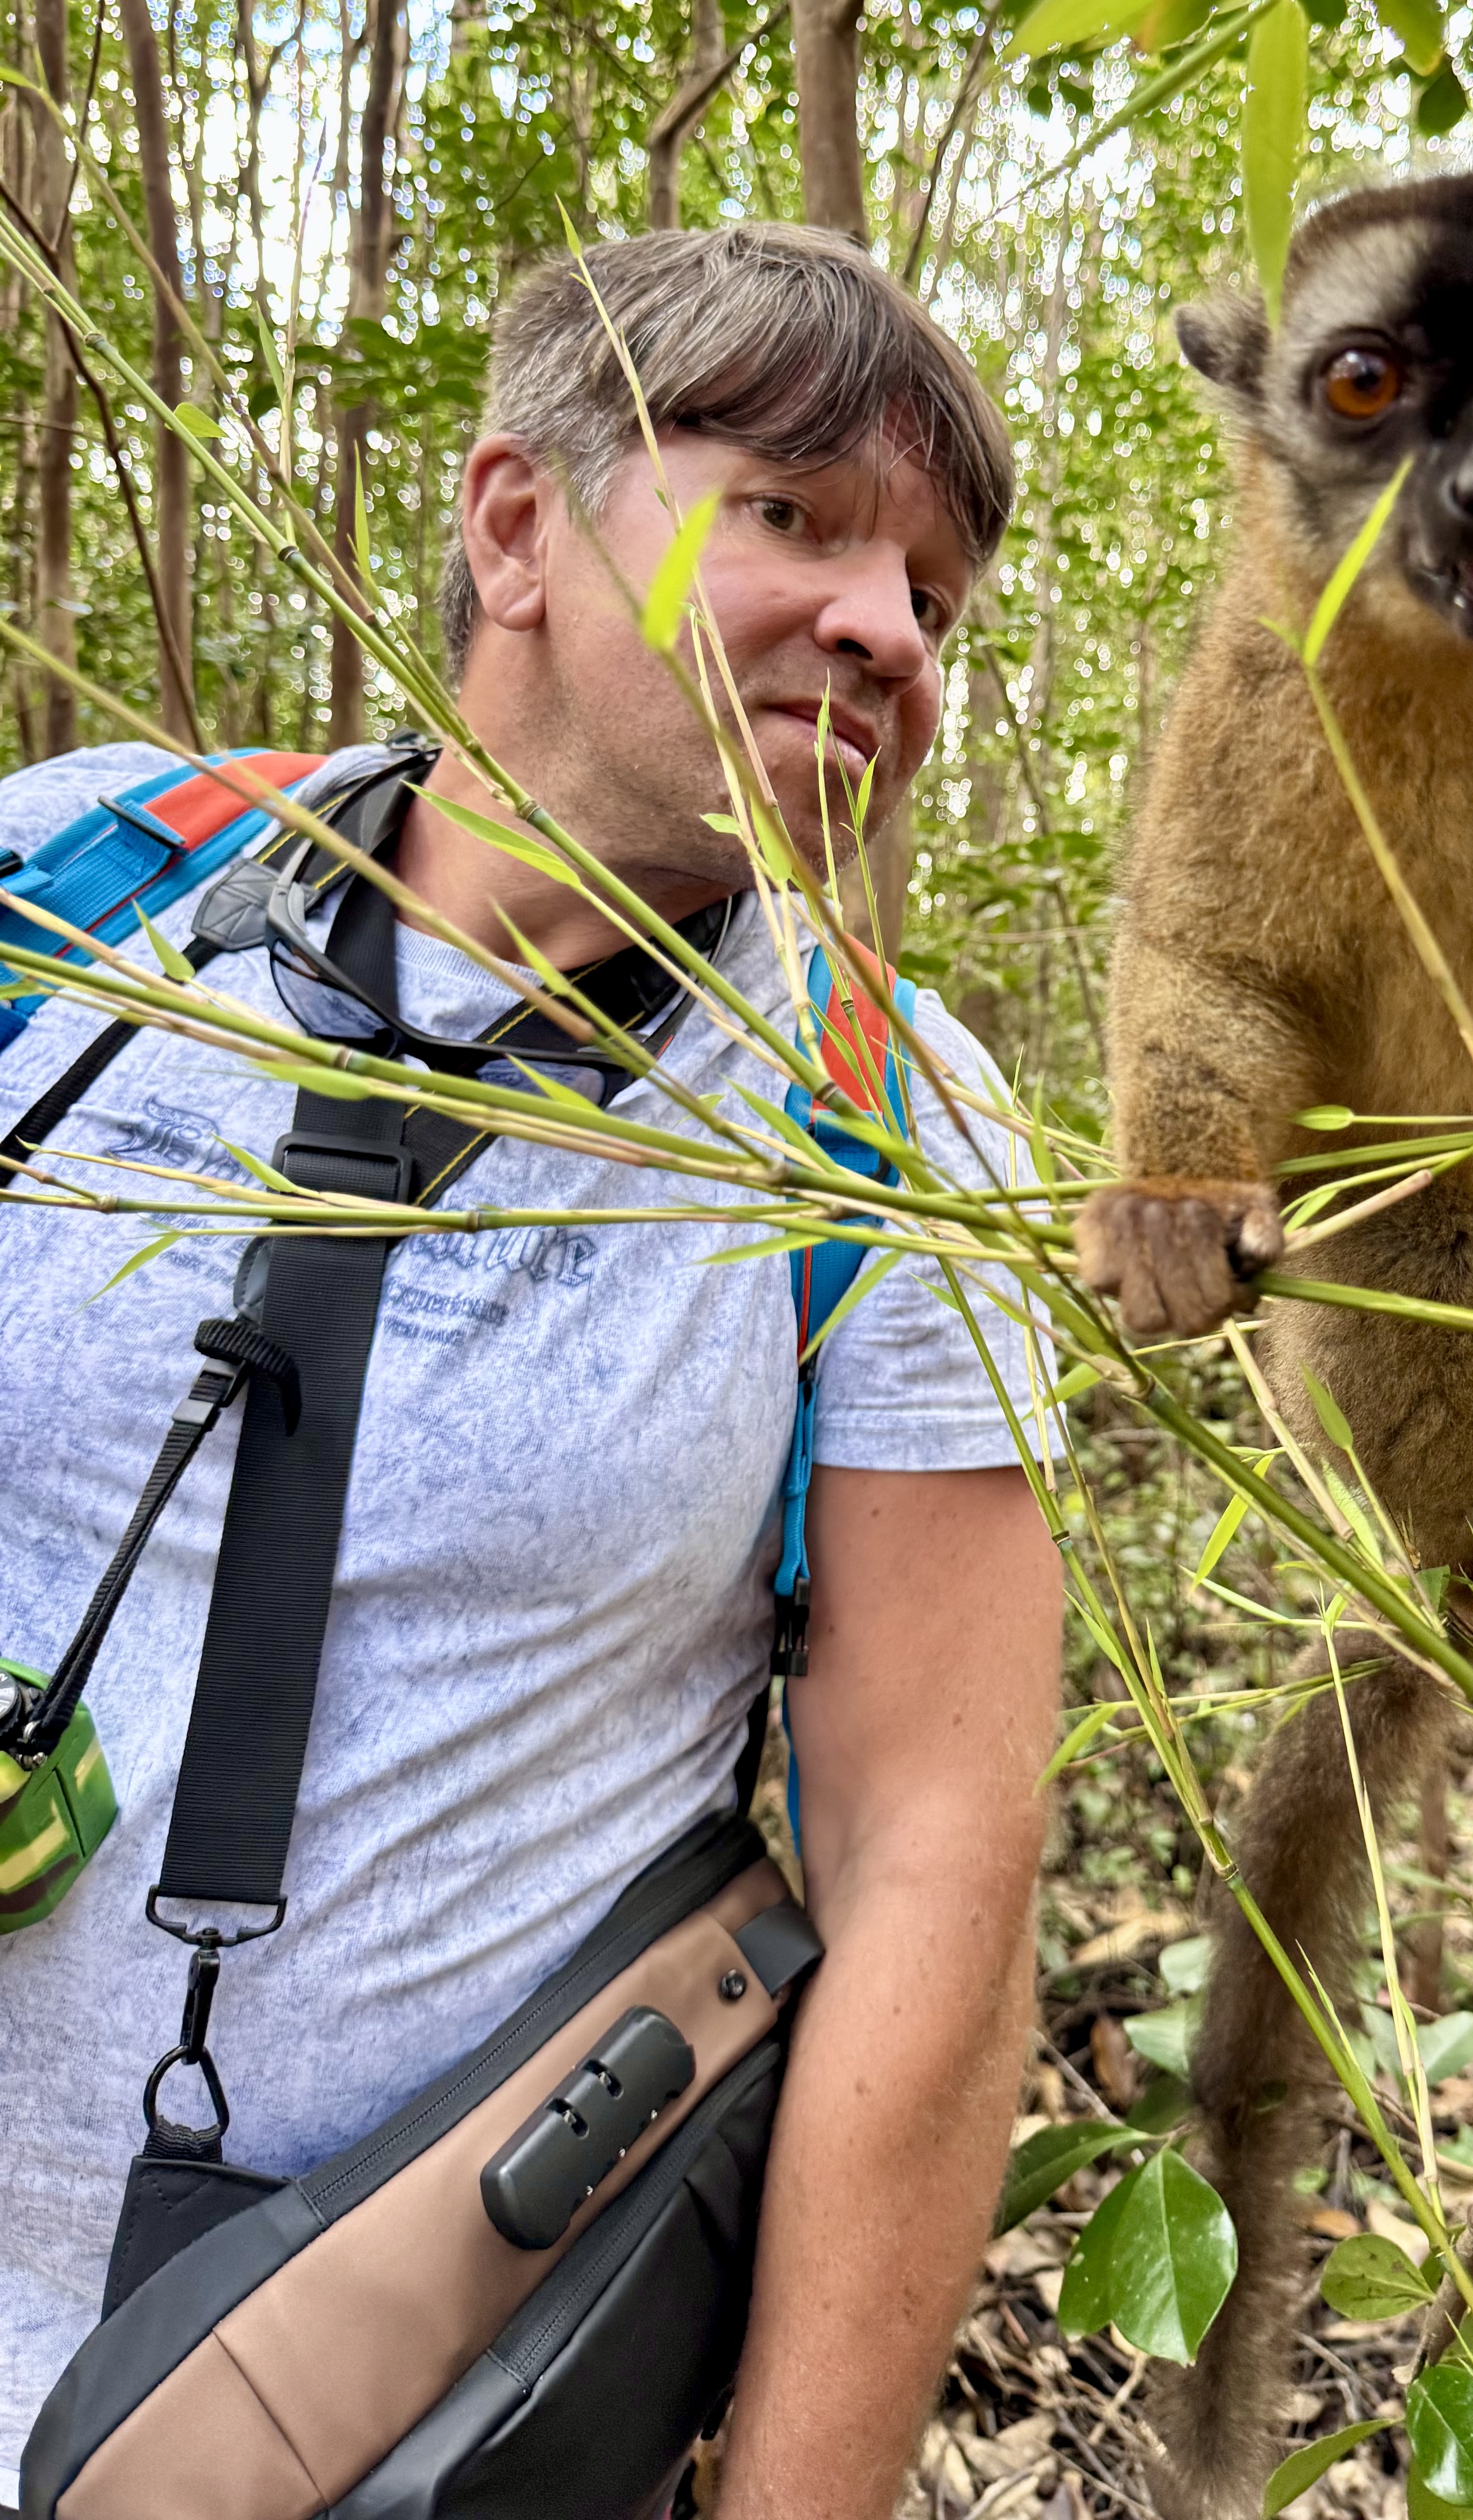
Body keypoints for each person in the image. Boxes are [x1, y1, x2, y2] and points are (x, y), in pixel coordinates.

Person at [0, 223, 1063, 2518]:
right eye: (793, 516)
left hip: (378, 2397)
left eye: (936, 597)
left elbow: (934, 1859)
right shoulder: (76, 889)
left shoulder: (879, 1114)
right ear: (515, 528)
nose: (888, 627)